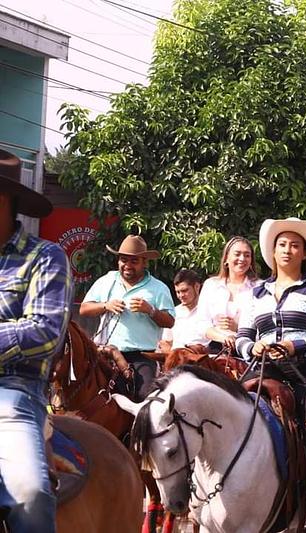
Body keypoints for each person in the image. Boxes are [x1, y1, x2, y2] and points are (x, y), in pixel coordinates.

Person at [235, 217, 306, 532]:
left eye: (295, 245)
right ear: (273, 250)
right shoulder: (257, 293)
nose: (288, 250)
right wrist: (250, 348)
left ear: (305, 254)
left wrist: (295, 345)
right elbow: (243, 335)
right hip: (263, 372)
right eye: (282, 244)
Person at [0, 150, 73, 532]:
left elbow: (45, 332)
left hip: (13, 391)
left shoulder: (45, 257)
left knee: (29, 491)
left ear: (4, 201)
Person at [80, 235, 175, 401]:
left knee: (144, 398)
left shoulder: (158, 288)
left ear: (144, 262)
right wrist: (105, 305)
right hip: (105, 354)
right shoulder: (107, 280)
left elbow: (170, 321)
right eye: (124, 260)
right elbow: (84, 309)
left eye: (134, 261)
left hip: (141, 357)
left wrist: (150, 310)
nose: (127, 266)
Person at [197, 236, 259, 353]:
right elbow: (201, 324)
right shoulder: (211, 285)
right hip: (215, 348)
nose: (242, 259)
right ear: (226, 258)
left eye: (247, 255)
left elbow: (264, 326)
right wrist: (223, 337)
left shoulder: (259, 287)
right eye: (237, 254)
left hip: (248, 348)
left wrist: (239, 328)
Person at [159, 269, 207, 352]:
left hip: (203, 359)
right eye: (178, 292)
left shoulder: (210, 310)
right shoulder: (174, 312)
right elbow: (166, 342)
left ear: (197, 286)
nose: (181, 295)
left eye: (184, 290)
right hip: (177, 359)